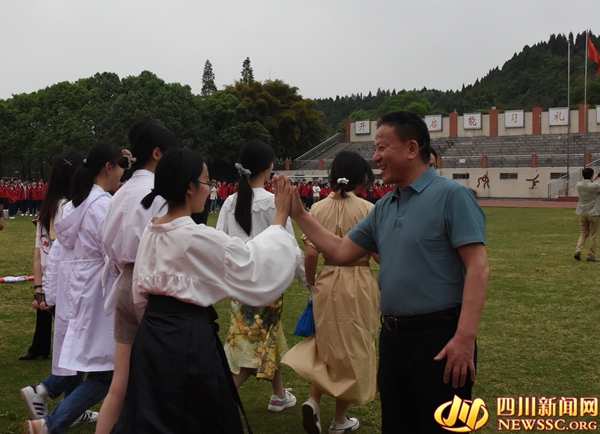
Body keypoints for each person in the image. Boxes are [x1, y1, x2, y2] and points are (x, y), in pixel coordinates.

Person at [274, 110, 489, 434]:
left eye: (382, 148)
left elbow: (478, 267)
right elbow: (341, 251)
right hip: (393, 338)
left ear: (412, 148)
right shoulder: (385, 207)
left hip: (440, 339)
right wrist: (300, 215)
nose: (375, 158)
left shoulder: (452, 196)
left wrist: (464, 338)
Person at [114, 149, 300, 433]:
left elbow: (140, 296)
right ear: (190, 187)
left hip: (151, 336)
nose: (209, 188)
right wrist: (280, 218)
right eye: (206, 181)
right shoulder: (194, 236)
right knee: (195, 414)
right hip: (187, 339)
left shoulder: (153, 230)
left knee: (156, 413)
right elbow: (252, 266)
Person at [24, 142, 126, 434]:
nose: (122, 172)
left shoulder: (74, 206)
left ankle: (48, 410)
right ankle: (50, 424)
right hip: (97, 295)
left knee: (90, 365)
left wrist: (51, 294)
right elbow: (116, 253)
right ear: (108, 167)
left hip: (77, 293)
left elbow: (56, 255)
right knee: (105, 373)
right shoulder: (102, 206)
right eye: (121, 166)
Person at [282, 151, 379, 434]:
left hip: (327, 280)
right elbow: (378, 256)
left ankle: (314, 400)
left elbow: (311, 254)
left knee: (325, 342)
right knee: (353, 346)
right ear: (361, 177)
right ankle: (339, 419)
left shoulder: (318, 208)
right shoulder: (368, 209)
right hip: (357, 280)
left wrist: (312, 283)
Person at [96, 121, 180, 434]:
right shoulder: (160, 193)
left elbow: (108, 243)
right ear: (157, 154)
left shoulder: (121, 192)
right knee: (162, 380)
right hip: (152, 288)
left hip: (125, 282)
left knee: (118, 385)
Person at [216, 140, 307, 413]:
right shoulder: (272, 203)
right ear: (268, 168)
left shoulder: (230, 202)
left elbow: (219, 243)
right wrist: (309, 282)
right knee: (252, 348)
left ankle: (279, 395)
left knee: (267, 337)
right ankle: (216, 402)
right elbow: (291, 247)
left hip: (239, 287)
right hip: (268, 287)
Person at [20, 152, 84, 362]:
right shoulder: (71, 209)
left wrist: (39, 289)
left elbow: (39, 254)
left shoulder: (47, 208)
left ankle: (40, 348)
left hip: (49, 282)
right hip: (66, 283)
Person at [574, 167, 600, 262]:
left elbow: (587, 183)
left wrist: (593, 179)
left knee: (584, 233)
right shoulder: (595, 186)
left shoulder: (579, 185)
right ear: (592, 175)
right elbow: (594, 186)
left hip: (583, 212)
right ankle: (591, 255)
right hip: (593, 213)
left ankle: (578, 250)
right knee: (593, 235)